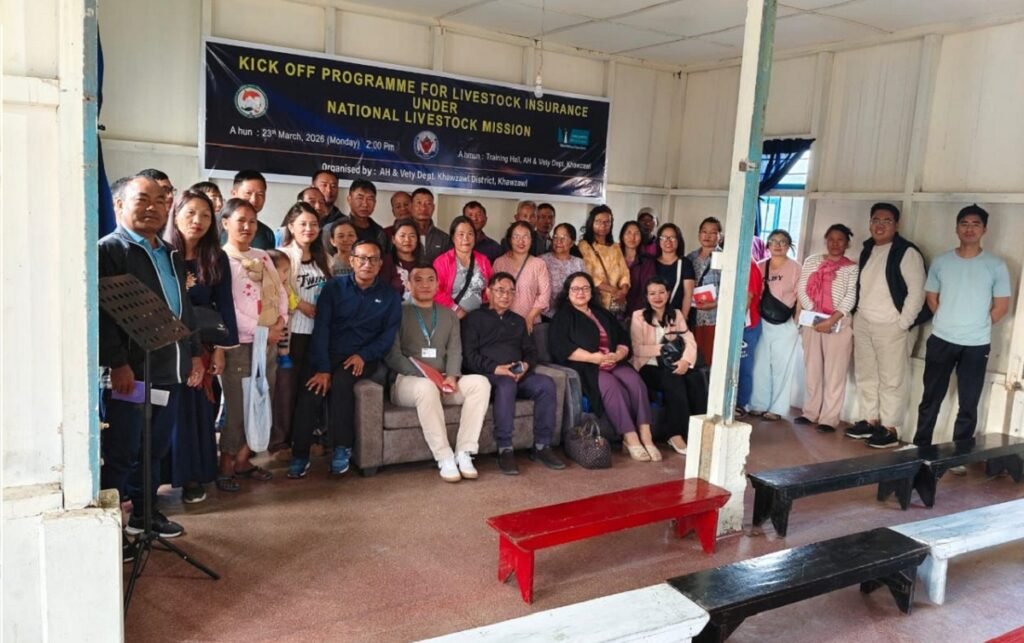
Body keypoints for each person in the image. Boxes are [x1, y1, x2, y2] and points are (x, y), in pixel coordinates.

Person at [100, 176, 204, 540]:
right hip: (132, 373)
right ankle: (109, 532)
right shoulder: (109, 250)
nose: (152, 207)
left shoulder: (170, 253)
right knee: (122, 451)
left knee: (154, 449)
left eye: (160, 201)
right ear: (119, 205)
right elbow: (102, 316)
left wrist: (194, 353)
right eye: (142, 199)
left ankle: (146, 515)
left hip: (168, 369)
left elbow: (183, 308)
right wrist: (118, 363)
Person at [289, 240, 402, 478]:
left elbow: (387, 337)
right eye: (362, 258)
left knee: (342, 383)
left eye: (373, 259)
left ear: (380, 264)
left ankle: (342, 447)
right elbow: (321, 328)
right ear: (351, 261)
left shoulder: (390, 296)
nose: (367, 264)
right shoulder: (333, 288)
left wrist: (363, 355)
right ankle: (300, 454)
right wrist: (323, 368)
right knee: (311, 391)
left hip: (363, 356)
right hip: (328, 352)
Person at [911, 205, 1011, 453]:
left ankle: (960, 455)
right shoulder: (941, 261)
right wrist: (948, 320)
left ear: (984, 229)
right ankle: (920, 447)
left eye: (976, 224)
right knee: (931, 398)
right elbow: (931, 297)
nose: (969, 229)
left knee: (968, 402)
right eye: (964, 223)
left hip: (976, 344)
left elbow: (1001, 307)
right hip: (941, 339)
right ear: (956, 228)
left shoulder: (996, 265)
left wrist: (976, 325)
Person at [163, 189, 239, 505]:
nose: (198, 220)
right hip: (167, 347)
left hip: (205, 346)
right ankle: (159, 479)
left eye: (206, 215)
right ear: (176, 214)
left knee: (200, 411)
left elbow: (225, 305)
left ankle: (193, 477)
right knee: (170, 413)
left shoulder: (216, 257)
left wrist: (221, 348)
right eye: (191, 213)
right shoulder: (161, 252)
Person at [385, 264, 491, 482]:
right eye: (418, 280)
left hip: (444, 381)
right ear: (408, 284)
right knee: (426, 388)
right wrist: (427, 376)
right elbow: (392, 355)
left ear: (437, 284)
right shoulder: (397, 313)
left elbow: (455, 350)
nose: (425, 284)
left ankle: (464, 452)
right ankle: (444, 456)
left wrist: (451, 376)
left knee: (480, 383)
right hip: (409, 382)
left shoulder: (448, 315)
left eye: (430, 279)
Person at [462, 273, 566, 475]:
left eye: (511, 291)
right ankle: (505, 448)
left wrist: (525, 365)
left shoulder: (518, 321)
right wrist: (497, 369)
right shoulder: (473, 319)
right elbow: (468, 356)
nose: (506, 295)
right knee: (506, 384)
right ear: (488, 292)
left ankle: (542, 446)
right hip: (488, 376)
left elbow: (531, 351)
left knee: (546, 384)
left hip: (518, 374)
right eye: (500, 290)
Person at [219, 198, 289, 489]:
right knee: (238, 407)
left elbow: (279, 291)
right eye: (240, 221)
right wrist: (262, 331)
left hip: (268, 343)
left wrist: (280, 322)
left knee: (261, 401)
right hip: (240, 345)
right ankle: (225, 465)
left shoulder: (263, 257)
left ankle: (243, 460)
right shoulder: (220, 259)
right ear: (225, 223)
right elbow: (226, 307)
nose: (247, 227)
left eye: (252, 221)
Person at [844, 203, 928, 447]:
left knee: (892, 377)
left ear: (896, 225)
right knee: (866, 373)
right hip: (864, 320)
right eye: (876, 220)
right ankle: (869, 420)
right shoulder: (868, 248)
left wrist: (903, 323)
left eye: (886, 220)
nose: (880, 225)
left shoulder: (907, 252)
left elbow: (917, 291)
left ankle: (890, 428)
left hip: (892, 325)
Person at [548, 272, 656, 461]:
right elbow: (560, 348)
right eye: (575, 289)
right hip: (587, 366)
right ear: (567, 293)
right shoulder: (563, 317)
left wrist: (618, 354)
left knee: (635, 381)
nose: (580, 293)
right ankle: (630, 438)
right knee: (611, 386)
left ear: (592, 292)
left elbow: (623, 338)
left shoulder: (603, 313)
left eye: (585, 288)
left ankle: (646, 436)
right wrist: (593, 358)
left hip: (613, 361)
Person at [270, 203, 331, 456]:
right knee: (285, 389)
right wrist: (300, 305)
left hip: (316, 334)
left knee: (309, 387)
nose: (309, 229)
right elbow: (277, 288)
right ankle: (279, 442)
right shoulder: (282, 255)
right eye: (303, 224)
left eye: (314, 224)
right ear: (291, 226)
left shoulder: (324, 258)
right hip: (290, 333)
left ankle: (303, 438)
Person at [795, 224, 859, 433]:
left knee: (835, 372)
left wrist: (831, 320)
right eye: (831, 239)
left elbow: (850, 296)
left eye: (840, 240)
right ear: (825, 240)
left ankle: (829, 418)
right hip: (812, 322)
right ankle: (810, 412)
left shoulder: (852, 267)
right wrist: (816, 316)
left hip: (839, 323)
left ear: (847, 243)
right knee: (812, 368)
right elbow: (802, 288)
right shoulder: (812, 261)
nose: (835, 244)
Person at [630, 276, 705, 456]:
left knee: (696, 378)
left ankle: (699, 430)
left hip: (673, 363)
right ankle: (674, 434)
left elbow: (689, 340)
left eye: (661, 292)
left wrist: (686, 361)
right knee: (674, 379)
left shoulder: (676, 314)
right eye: (652, 293)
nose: (657, 297)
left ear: (668, 293)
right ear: (646, 296)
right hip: (648, 365)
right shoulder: (638, 316)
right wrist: (664, 349)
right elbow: (637, 349)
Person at [749, 229, 801, 422]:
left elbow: (801, 297)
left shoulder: (796, 268)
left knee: (782, 367)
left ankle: (778, 408)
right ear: (767, 245)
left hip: (785, 323)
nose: (778, 245)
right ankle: (758, 404)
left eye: (783, 242)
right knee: (759, 364)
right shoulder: (760, 266)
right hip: (761, 321)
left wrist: (796, 322)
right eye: (773, 241)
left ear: (789, 246)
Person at [493, 221, 551, 333]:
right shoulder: (499, 263)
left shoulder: (539, 264)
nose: (521, 241)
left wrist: (530, 317)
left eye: (525, 237)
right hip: (503, 322)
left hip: (531, 323)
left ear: (531, 240)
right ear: (510, 239)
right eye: (516, 237)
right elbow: (493, 293)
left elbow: (544, 295)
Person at [433, 216, 493, 320]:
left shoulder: (483, 261)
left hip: (479, 319)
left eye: (470, 234)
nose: (466, 238)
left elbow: (491, 287)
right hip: (451, 318)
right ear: (453, 237)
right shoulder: (442, 262)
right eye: (461, 234)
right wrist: (456, 310)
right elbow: (435, 291)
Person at [577, 205, 630, 315]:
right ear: (591, 222)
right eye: (598, 221)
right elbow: (589, 275)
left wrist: (624, 291)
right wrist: (613, 290)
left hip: (615, 302)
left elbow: (624, 272)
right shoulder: (584, 245)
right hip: (596, 300)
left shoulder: (615, 247)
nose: (603, 225)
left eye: (607, 222)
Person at [686, 217, 723, 364]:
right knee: (692, 358)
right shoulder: (690, 257)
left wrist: (715, 303)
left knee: (709, 358)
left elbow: (730, 289)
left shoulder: (725, 258)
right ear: (699, 234)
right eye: (704, 231)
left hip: (713, 317)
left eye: (713, 232)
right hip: (693, 315)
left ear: (720, 236)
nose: (707, 236)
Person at [736, 260, 765, 417]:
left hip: (746, 324)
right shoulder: (730, 264)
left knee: (743, 366)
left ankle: (741, 403)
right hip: (731, 324)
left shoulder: (750, 267)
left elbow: (748, 296)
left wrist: (737, 322)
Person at [540, 222, 586, 320]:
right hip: (546, 316)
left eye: (563, 238)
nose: (558, 241)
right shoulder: (542, 261)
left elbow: (585, 289)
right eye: (555, 237)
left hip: (573, 315)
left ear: (572, 242)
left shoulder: (579, 263)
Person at [654, 222, 696, 322]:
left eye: (672, 238)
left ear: (678, 240)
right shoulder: (651, 263)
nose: (668, 241)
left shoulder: (685, 263)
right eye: (664, 238)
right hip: (653, 317)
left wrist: (682, 319)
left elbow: (688, 294)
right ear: (659, 241)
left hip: (676, 317)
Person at [620, 220, 656, 315]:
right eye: (628, 233)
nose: (632, 237)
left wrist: (635, 313)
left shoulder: (648, 262)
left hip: (638, 312)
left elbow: (647, 289)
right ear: (622, 237)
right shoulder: (614, 259)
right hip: (613, 309)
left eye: (636, 234)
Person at [411, 188, 452, 262]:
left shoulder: (444, 239)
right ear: (411, 206)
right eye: (419, 203)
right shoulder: (401, 236)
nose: (423, 208)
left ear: (433, 207)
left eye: (428, 204)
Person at [387, 218, 422, 301]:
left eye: (412, 236)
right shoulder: (386, 262)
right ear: (393, 239)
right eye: (402, 236)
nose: (407, 240)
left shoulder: (423, 263)